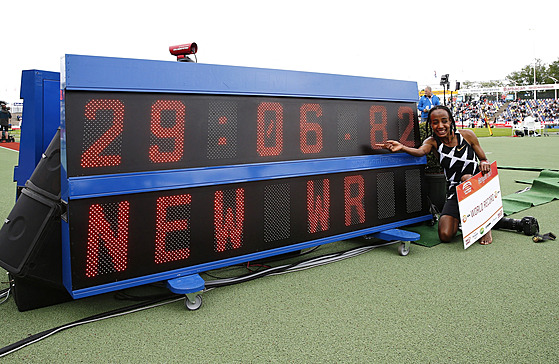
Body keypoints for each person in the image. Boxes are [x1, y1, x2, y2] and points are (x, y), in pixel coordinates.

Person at [376, 105, 493, 245]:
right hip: (454, 190)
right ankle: (464, 216)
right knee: (445, 235)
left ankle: (486, 225)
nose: (440, 126)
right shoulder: (432, 142)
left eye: (444, 121)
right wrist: (402, 147)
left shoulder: (467, 135)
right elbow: (420, 152)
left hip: (475, 186)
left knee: (466, 178)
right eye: (435, 122)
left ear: (451, 121)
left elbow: (483, 158)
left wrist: (484, 162)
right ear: (430, 124)